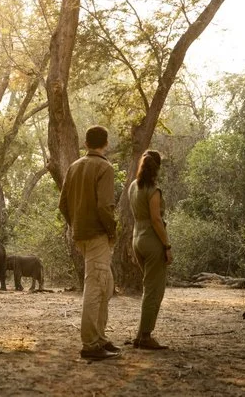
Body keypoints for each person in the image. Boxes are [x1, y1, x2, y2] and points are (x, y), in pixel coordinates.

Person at [59, 126, 120, 361]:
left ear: (86, 143)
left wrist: (75, 224)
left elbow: (63, 204)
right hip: (97, 235)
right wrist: (111, 231)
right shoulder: (104, 167)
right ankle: (90, 345)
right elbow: (105, 206)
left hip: (82, 235)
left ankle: (100, 338)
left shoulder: (74, 167)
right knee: (95, 287)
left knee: (106, 285)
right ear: (105, 143)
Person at [129, 150, 173, 350]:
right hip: (152, 240)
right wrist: (167, 245)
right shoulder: (153, 189)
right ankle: (145, 336)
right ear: (157, 168)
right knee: (154, 291)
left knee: (148, 288)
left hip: (137, 238)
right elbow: (156, 219)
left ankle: (140, 335)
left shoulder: (132, 187)